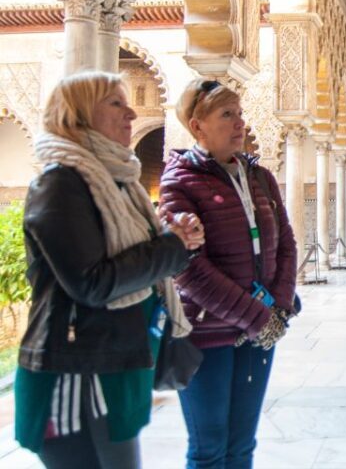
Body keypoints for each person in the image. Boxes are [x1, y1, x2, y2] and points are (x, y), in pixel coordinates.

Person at [14, 71, 204, 469]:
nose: (131, 113)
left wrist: (173, 240)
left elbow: (132, 257)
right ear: (78, 114)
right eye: (116, 103)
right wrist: (171, 247)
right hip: (75, 371)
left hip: (114, 361)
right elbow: (93, 282)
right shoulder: (60, 184)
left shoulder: (119, 183)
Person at [158, 79, 298, 469]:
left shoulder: (259, 177)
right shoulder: (180, 181)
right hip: (206, 334)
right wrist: (258, 318)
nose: (240, 123)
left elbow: (286, 243)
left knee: (241, 445)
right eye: (226, 114)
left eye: (239, 113)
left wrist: (279, 307)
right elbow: (188, 268)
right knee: (209, 449)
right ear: (197, 125)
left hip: (259, 332)